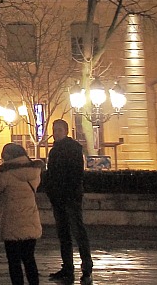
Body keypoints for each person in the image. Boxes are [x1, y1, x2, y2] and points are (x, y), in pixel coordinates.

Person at [44, 119, 91, 283]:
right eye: (54, 130)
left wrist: (65, 192)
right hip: (59, 197)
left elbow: (76, 175)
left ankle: (86, 266)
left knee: (77, 232)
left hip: (69, 197)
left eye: (59, 130)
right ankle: (68, 267)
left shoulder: (72, 149)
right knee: (64, 234)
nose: (56, 133)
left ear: (65, 131)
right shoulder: (55, 150)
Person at [0, 142, 43, 285]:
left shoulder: (6, 175)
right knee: (29, 258)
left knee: (14, 262)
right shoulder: (35, 172)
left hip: (12, 221)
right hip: (31, 219)